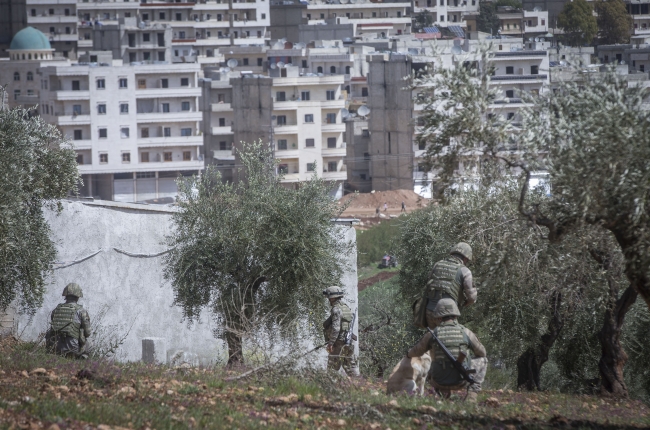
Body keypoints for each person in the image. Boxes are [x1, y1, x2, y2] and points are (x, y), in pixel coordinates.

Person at [406, 299, 487, 403]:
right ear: (455, 315)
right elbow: (482, 353)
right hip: (462, 381)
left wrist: (408, 354)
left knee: (433, 360)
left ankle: (444, 395)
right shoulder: (466, 332)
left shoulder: (432, 334)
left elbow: (416, 352)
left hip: (438, 382)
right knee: (483, 360)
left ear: (438, 317)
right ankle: (471, 397)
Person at [424, 242, 476, 329]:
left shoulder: (437, 264)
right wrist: (464, 303)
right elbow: (472, 298)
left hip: (430, 312)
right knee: (448, 341)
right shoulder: (465, 271)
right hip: (447, 316)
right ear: (466, 258)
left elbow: (429, 284)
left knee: (433, 340)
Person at [46, 283, 91, 359]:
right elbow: (88, 333)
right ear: (78, 297)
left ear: (65, 295)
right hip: (72, 349)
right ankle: (82, 358)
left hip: (55, 348)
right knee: (88, 340)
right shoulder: (81, 311)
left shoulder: (56, 310)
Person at [322, 286, 359, 376]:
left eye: (329, 298)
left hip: (339, 342)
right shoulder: (345, 307)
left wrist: (331, 343)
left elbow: (336, 328)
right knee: (350, 365)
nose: (328, 300)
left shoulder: (336, 310)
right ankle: (358, 385)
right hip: (348, 341)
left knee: (332, 369)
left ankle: (329, 387)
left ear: (333, 297)